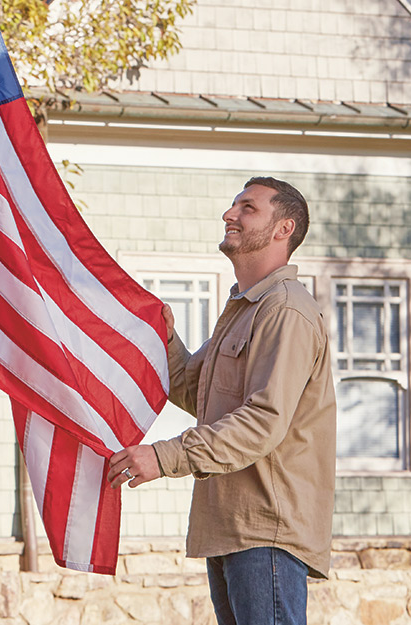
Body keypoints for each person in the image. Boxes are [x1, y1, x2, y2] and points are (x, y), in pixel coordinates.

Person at [107, 177, 336, 625]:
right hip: (231, 529)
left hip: (265, 531)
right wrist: (162, 337)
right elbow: (197, 393)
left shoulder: (285, 310)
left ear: (282, 229)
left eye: (247, 208)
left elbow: (262, 421)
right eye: (234, 206)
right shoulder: (246, 309)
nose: (229, 215)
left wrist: (164, 456)